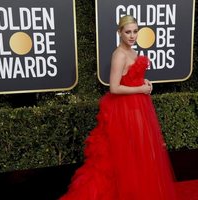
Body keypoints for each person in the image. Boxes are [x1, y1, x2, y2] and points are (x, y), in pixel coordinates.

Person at [59, 15, 178, 200]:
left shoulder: (133, 52)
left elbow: (130, 77)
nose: (132, 36)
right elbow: (114, 87)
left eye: (135, 31)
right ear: (120, 33)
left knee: (139, 154)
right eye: (128, 32)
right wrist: (140, 88)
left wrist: (144, 81)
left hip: (139, 106)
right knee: (125, 155)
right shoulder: (119, 55)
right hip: (124, 109)